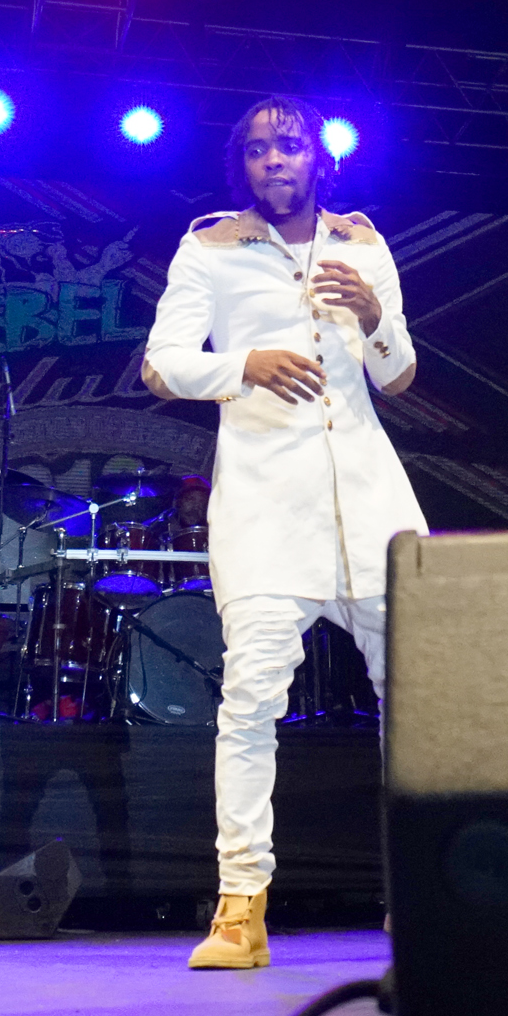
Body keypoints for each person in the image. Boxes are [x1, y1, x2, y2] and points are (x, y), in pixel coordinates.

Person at [143, 96, 428, 970]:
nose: (276, 159)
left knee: (417, 704)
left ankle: (422, 900)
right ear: (243, 165)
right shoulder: (210, 247)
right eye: (260, 149)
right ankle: (240, 908)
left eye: (291, 145)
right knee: (252, 702)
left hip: (374, 508)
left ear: (318, 159)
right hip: (267, 509)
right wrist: (245, 365)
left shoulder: (363, 245)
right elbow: (161, 366)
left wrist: (374, 319)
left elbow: (400, 376)